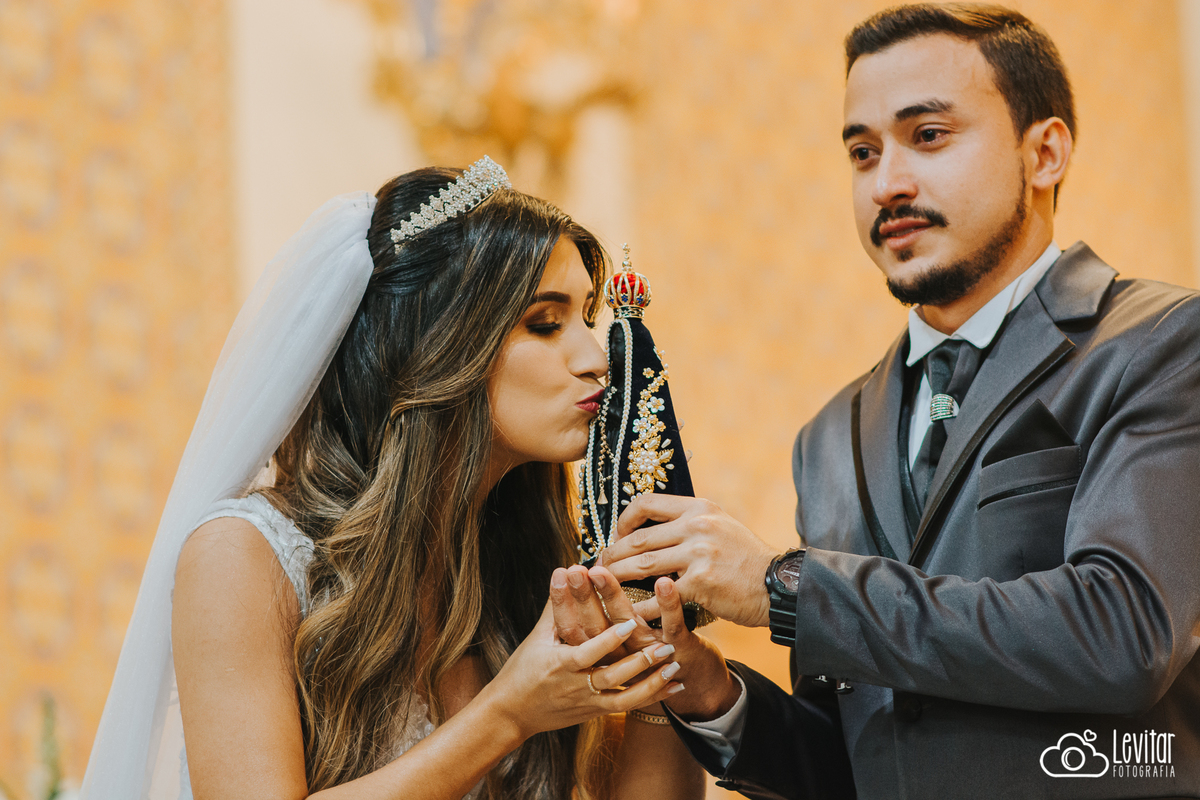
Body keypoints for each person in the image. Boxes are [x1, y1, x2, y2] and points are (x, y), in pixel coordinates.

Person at [598, 5, 1200, 798]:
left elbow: (1122, 635)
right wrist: (706, 687)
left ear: (1045, 152)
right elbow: (856, 763)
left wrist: (785, 585)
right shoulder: (829, 438)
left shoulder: (1161, 341)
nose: (889, 183)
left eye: (929, 136)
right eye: (862, 151)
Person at [80, 159, 705, 800]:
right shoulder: (242, 557)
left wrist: (667, 647)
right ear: (437, 345)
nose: (596, 359)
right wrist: (511, 712)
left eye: (589, 320)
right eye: (545, 324)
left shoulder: (531, 568)